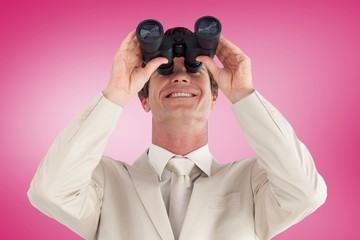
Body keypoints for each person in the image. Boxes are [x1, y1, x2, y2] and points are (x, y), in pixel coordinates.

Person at [27, 26, 327, 240]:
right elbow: (49, 191)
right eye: (165, 70)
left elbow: (306, 193)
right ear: (143, 99)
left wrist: (245, 94)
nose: (181, 75)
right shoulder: (107, 184)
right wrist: (115, 93)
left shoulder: (251, 182)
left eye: (195, 69)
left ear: (214, 97)